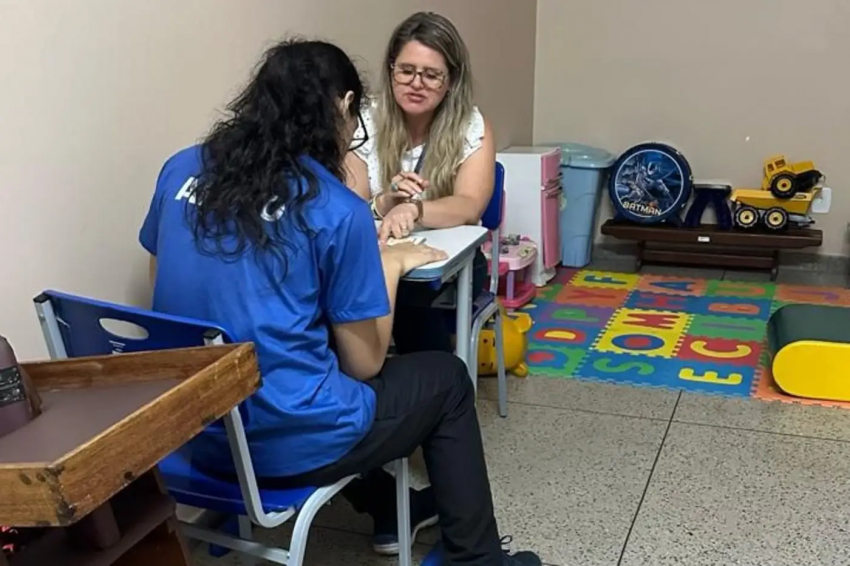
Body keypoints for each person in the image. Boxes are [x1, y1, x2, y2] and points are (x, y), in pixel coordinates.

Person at [138, 39, 540, 566]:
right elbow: (366, 362)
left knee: (312, 364)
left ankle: (384, 508)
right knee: (445, 380)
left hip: (184, 435)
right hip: (282, 444)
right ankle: (477, 560)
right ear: (344, 107)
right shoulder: (333, 205)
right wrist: (391, 265)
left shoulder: (180, 169)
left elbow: (160, 284)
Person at [345, 11, 495, 355]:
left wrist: (414, 209)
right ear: (391, 70)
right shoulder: (366, 119)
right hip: (375, 251)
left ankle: (430, 389)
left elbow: (470, 205)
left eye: (431, 75)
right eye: (407, 71)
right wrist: (385, 203)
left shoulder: (471, 125)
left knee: (412, 299)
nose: (416, 83)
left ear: (451, 81)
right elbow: (350, 202)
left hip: (447, 260)